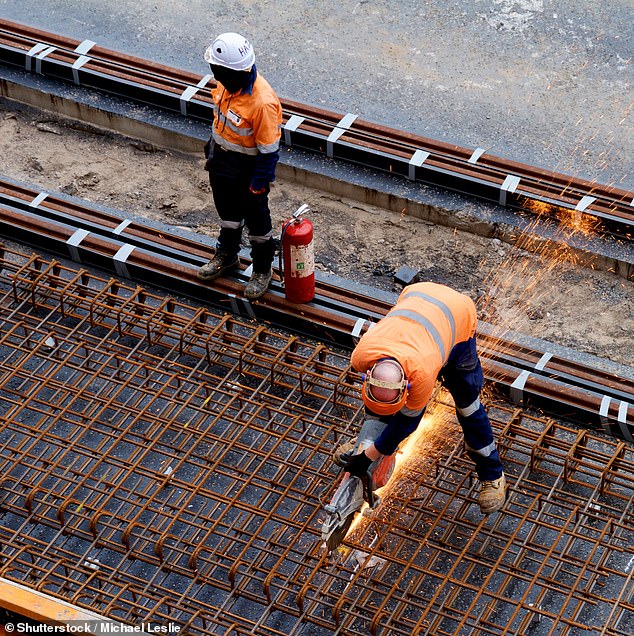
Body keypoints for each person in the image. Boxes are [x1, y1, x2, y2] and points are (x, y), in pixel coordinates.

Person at [343, 281, 506, 514]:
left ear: (407, 386)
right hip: (416, 298)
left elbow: (407, 423)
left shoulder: (421, 375)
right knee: (382, 415)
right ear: (367, 377)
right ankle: (368, 440)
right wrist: (371, 445)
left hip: (457, 317)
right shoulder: (361, 356)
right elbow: (379, 407)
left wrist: (370, 455)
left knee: (468, 406)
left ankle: (493, 475)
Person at [197, 32, 283, 300]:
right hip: (222, 163)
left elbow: (269, 152)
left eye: (216, 69)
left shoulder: (262, 103)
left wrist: (258, 184)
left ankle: (262, 269)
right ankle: (228, 255)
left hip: (248, 170)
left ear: (229, 70)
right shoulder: (228, 84)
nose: (213, 73)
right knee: (228, 214)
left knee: (258, 223)